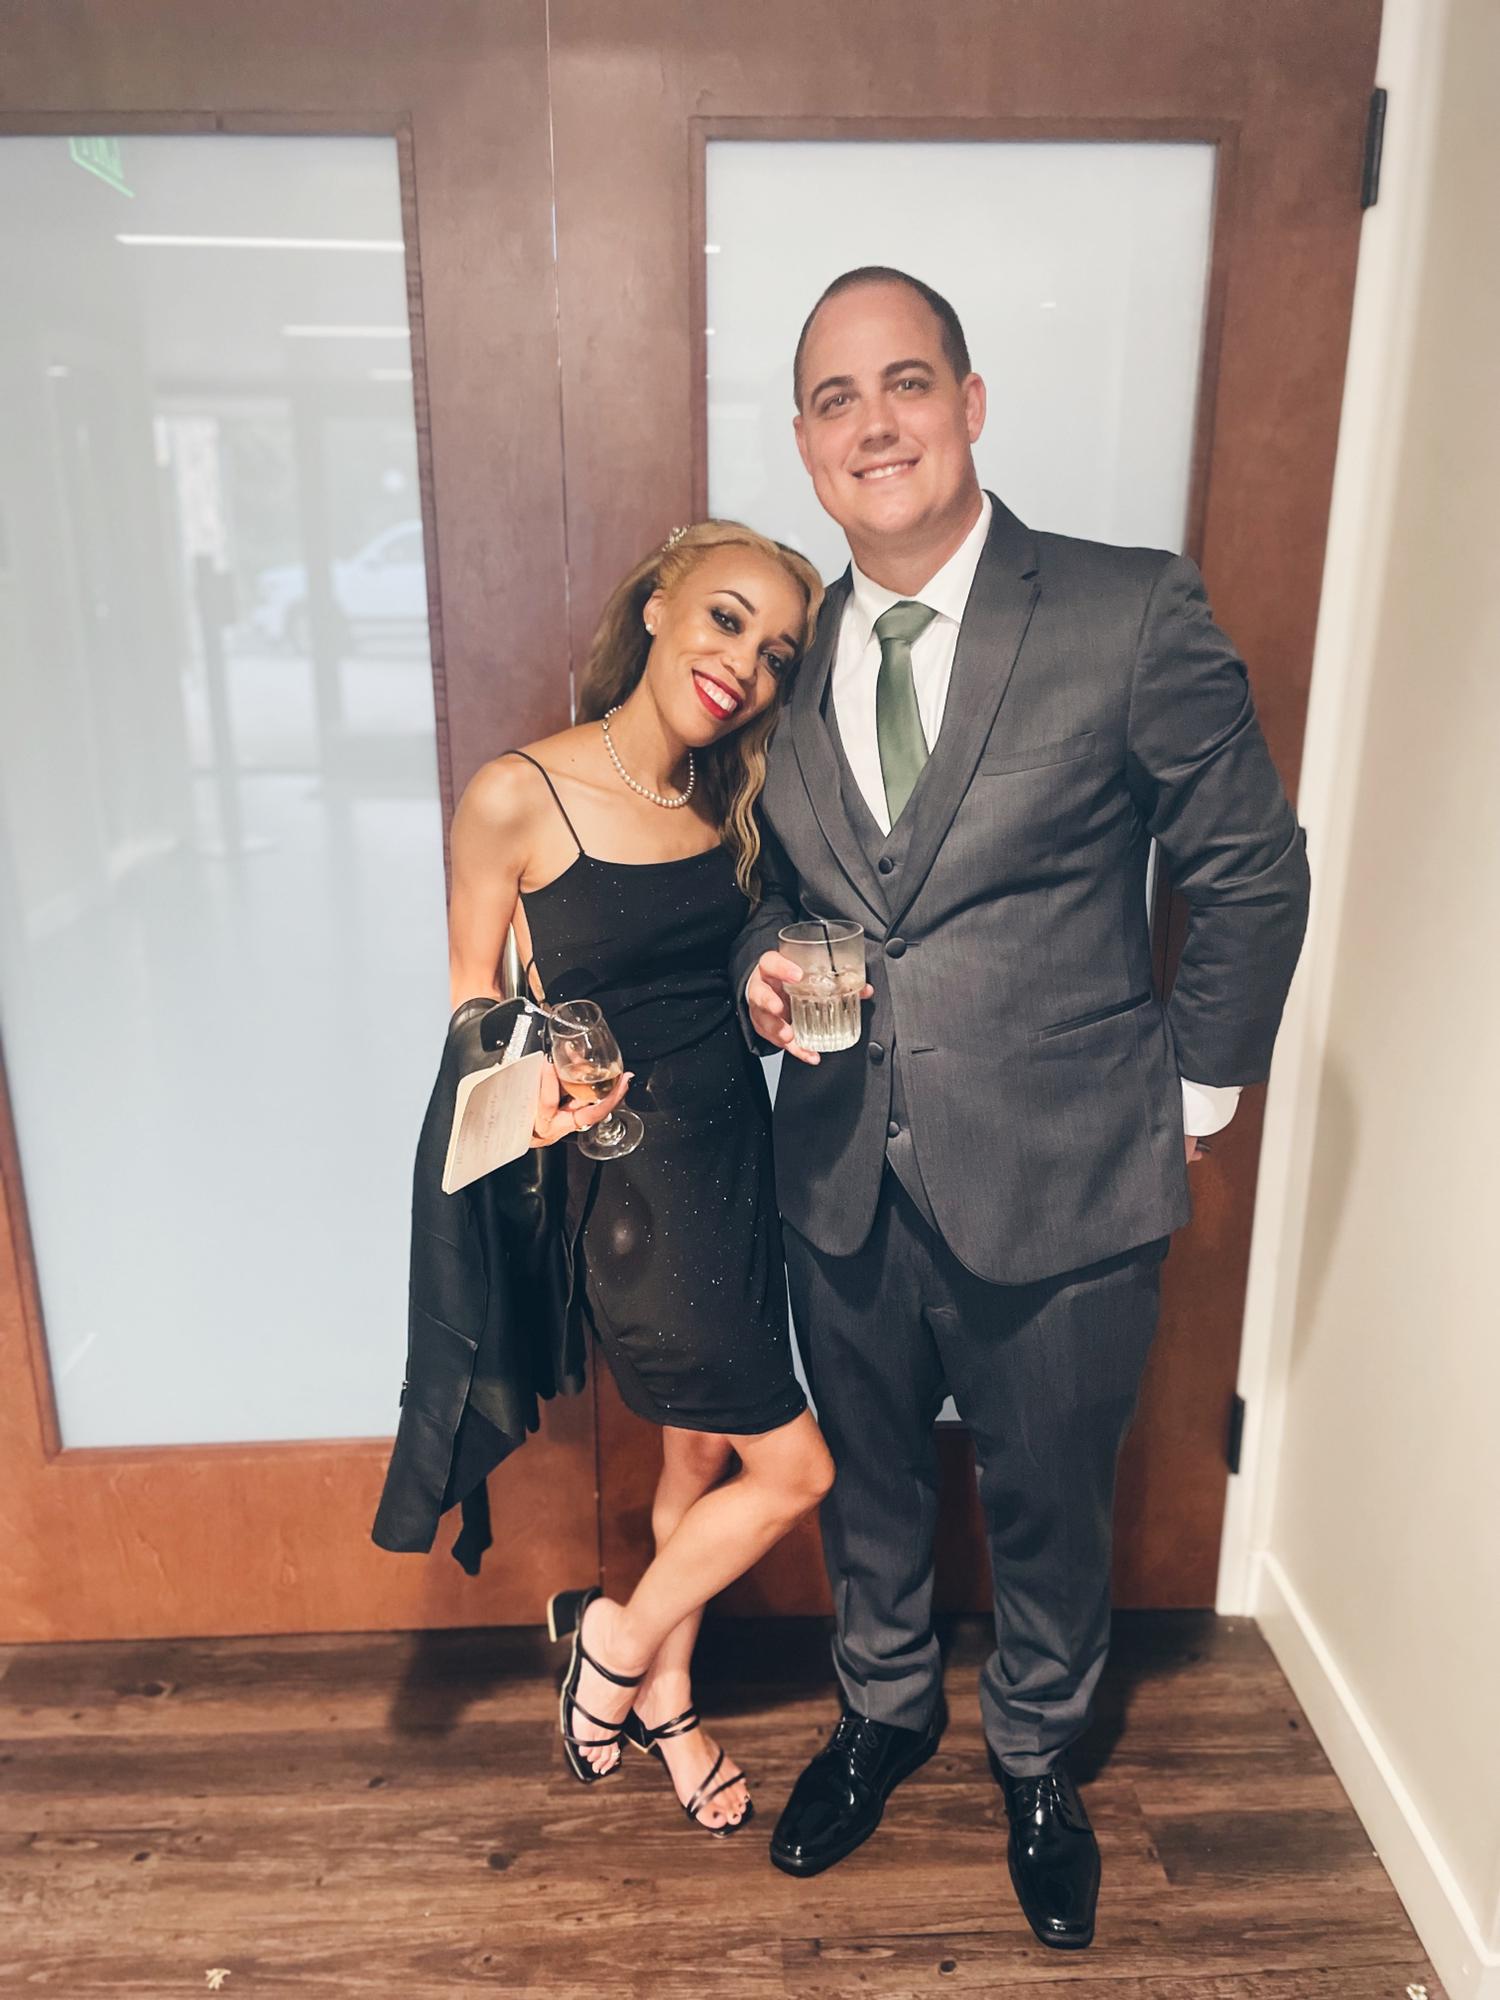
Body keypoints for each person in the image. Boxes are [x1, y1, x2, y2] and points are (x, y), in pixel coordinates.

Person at [734, 269, 1309, 1942]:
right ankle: (882, 1708)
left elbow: (1249, 873)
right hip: (840, 1170)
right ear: (805, 445)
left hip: (1069, 1176)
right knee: (873, 1480)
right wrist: (764, 959)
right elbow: (767, 886)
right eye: (836, 400)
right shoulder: (787, 650)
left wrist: (1189, 1098)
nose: (875, 425)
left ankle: (1040, 1752)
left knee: (1051, 1489)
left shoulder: (1127, 610)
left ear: (971, 404)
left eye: (906, 382)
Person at [447, 521, 835, 1836]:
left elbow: (731, 977)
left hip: (739, 1161)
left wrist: (782, 1002)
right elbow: (473, 1012)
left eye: (776, 652)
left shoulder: (730, 801)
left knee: (699, 1460)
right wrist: (533, 1097)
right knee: (794, 1473)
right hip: (638, 1195)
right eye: (727, 618)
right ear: (661, 606)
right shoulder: (518, 795)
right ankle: (612, 1645)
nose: (745, 663)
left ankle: (670, 1703)